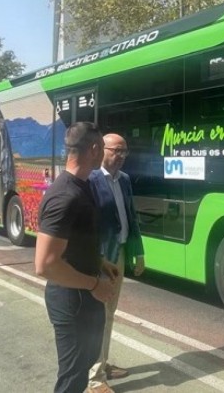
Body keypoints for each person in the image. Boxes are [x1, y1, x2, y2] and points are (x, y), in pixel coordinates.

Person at [35, 121, 120, 393]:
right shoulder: (65, 195)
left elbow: (76, 242)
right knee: (71, 378)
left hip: (84, 297)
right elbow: (45, 265)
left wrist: (100, 264)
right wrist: (95, 285)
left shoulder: (82, 185)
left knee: (84, 365)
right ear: (95, 149)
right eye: (105, 148)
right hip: (72, 301)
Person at [87, 133, 145, 392]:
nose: (120, 156)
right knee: (97, 315)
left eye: (124, 152)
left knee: (109, 313)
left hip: (119, 253)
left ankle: (102, 362)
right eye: (116, 151)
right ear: (102, 150)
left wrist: (138, 252)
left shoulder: (124, 180)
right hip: (100, 258)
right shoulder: (90, 180)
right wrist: (94, 259)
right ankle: (94, 378)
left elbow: (131, 216)